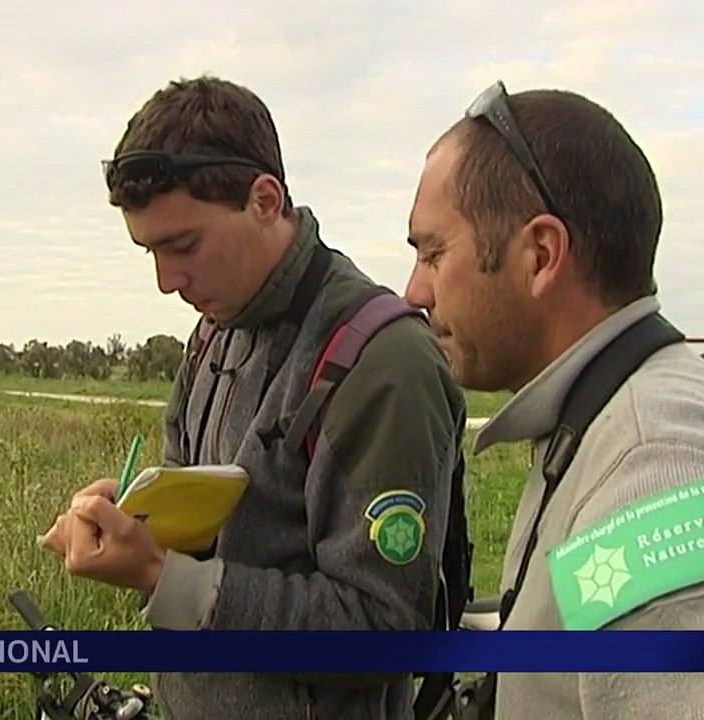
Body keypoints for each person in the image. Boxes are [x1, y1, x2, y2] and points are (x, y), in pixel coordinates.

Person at [401, 80, 704, 719]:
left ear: (540, 255)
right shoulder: (602, 420)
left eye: (434, 252)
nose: (414, 291)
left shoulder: (657, 465)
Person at [38, 75, 470, 720]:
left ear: (265, 200)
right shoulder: (212, 334)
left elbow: (386, 632)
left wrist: (163, 577)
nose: (165, 281)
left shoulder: (383, 362)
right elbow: (197, 530)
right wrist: (134, 521)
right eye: (150, 251)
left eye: (182, 245)